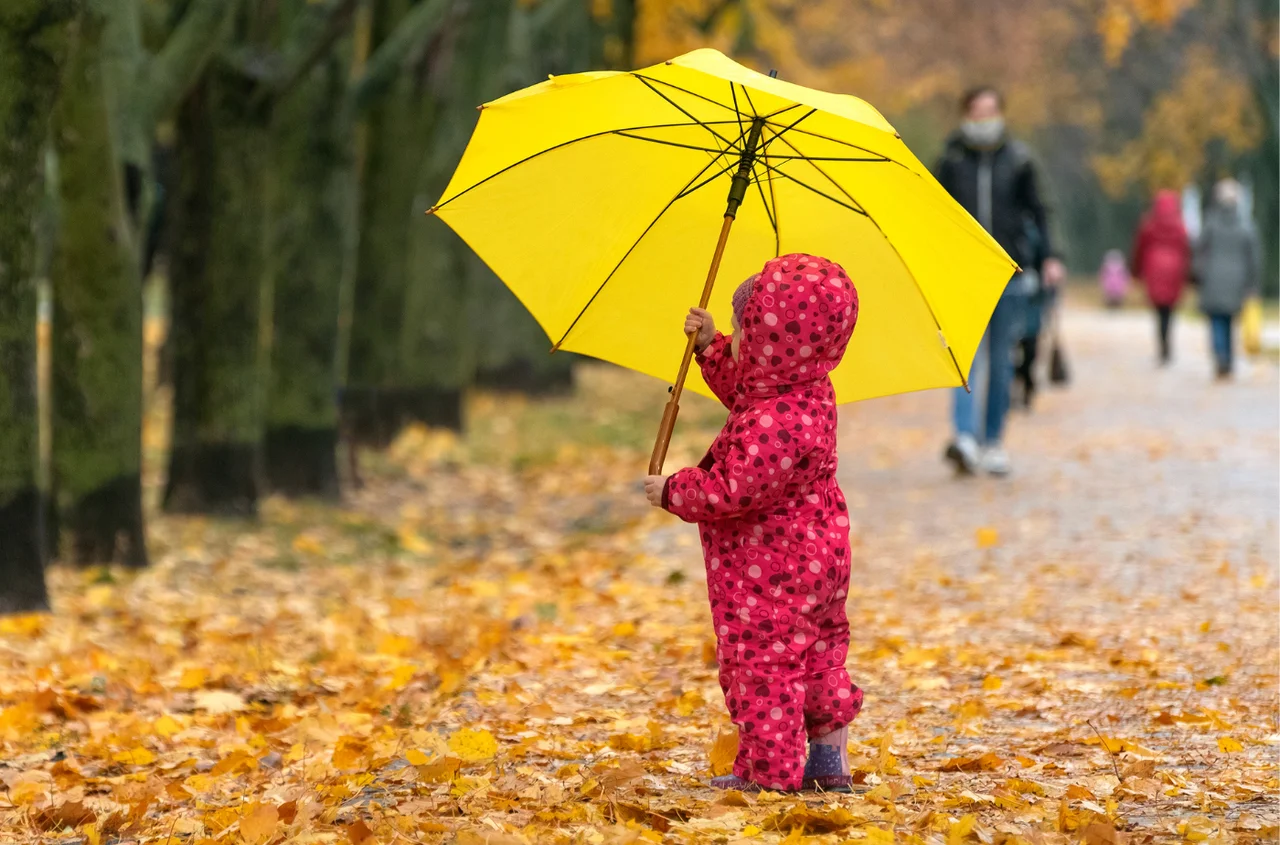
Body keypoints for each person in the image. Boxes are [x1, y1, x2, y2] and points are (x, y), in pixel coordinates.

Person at [643, 254, 863, 793]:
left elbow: (732, 489)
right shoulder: (805, 389)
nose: (739, 340)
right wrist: (711, 346)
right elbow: (748, 390)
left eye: (743, 332)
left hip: (771, 567)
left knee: (764, 666)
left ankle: (768, 774)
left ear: (770, 341)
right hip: (818, 554)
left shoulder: (774, 419)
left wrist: (673, 490)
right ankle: (828, 762)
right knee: (818, 654)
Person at [935, 87, 1065, 476]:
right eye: (977, 111)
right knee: (964, 360)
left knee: (1002, 362)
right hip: (962, 274)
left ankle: (993, 441)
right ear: (965, 114)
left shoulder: (1019, 160)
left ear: (1001, 114)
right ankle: (964, 438)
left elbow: (1040, 211)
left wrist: (1051, 257)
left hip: (1011, 274)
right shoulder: (950, 160)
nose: (984, 118)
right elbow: (932, 212)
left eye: (990, 110)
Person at [1195, 178, 1261, 379]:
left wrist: (1199, 274)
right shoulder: (1246, 226)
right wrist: (1252, 283)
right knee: (1230, 321)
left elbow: (1199, 249)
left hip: (1213, 278)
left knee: (1216, 320)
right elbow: (1254, 258)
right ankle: (1228, 360)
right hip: (1237, 280)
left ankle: (1220, 356)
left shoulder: (1210, 223)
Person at [1130, 190, 1191, 365]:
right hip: (1175, 270)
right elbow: (1187, 250)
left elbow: (1139, 248)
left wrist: (1136, 271)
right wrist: (1187, 273)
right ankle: (1167, 340)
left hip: (1154, 269)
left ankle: (1162, 342)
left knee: (1158, 310)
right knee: (1169, 310)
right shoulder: (1180, 226)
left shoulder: (1148, 225)